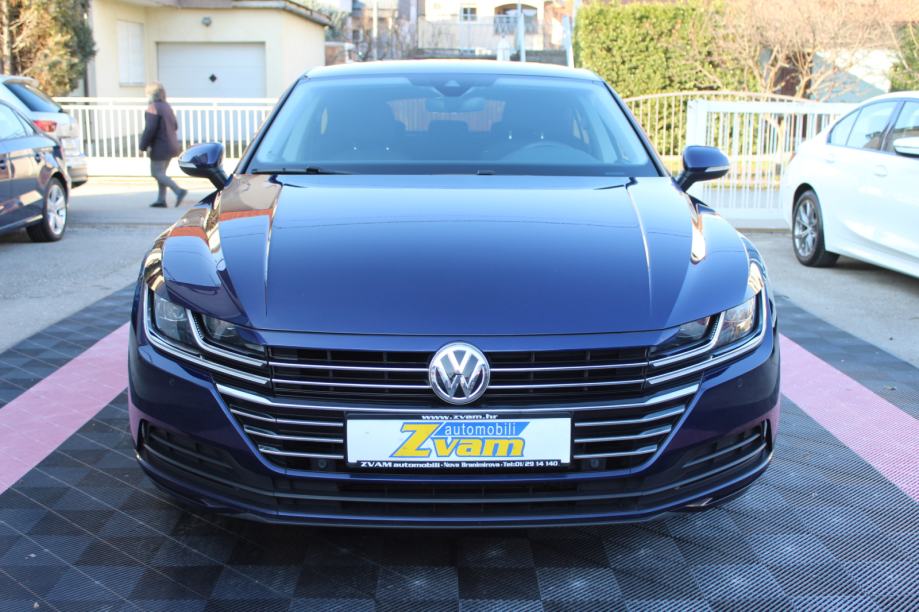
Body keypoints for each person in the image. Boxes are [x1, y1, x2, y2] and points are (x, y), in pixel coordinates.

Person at [139, 82, 187, 207]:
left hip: (160, 147)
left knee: (156, 173)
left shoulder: (153, 108)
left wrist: (142, 147)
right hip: (171, 145)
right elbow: (175, 125)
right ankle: (161, 200)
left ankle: (178, 191)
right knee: (162, 173)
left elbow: (149, 129)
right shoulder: (166, 106)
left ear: (150, 94)